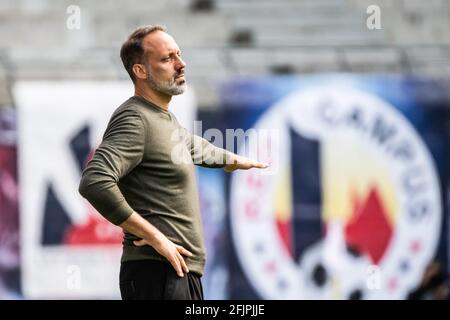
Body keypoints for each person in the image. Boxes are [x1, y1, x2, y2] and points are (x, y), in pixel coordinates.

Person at [78, 25, 268, 300]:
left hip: (176, 272)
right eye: (167, 59)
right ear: (140, 71)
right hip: (157, 272)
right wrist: (155, 237)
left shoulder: (162, 119)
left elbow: (190, 144)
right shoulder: (135, 118)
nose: (181, 64)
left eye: (179, 55)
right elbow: (94, 181)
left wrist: (233, 160)